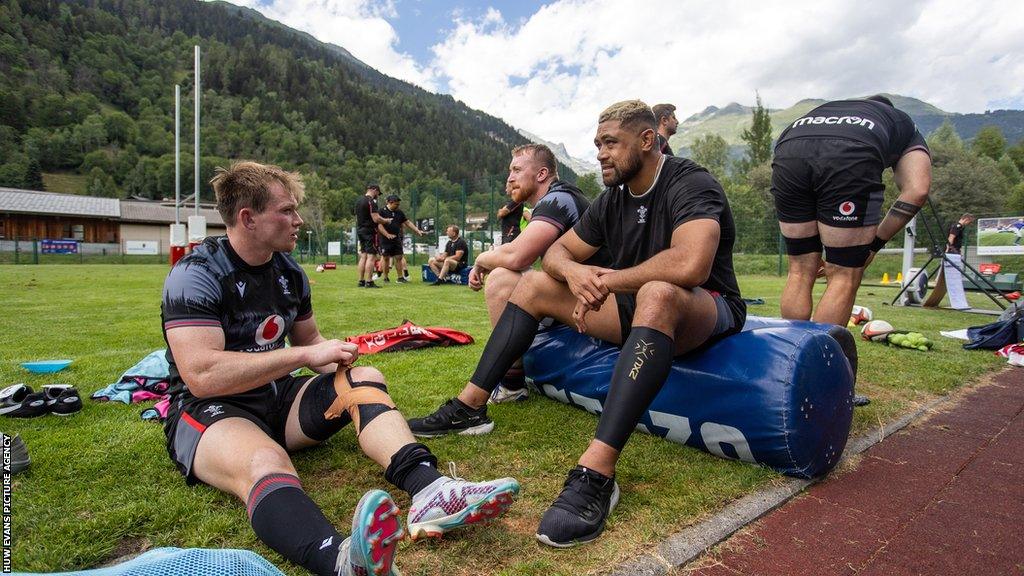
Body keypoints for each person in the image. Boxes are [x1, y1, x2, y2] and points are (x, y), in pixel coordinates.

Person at [410, 100, 745, 547]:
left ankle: (597, 472)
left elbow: (691, 265)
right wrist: (573, 273)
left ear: (647, 140)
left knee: (659, 292)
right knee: (530, 285)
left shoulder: (689, 181)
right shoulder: (613, 200)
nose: (601, 153)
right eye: (597, 144)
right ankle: (470, 406)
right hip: (634, 304)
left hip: (706, 306)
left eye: (610, 143)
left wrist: (605, 279)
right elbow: (555, 253)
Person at [161, 162, 519, 576]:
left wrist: (331, 352)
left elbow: (309, 342)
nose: (297, 221)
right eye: (286, 211)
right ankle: (342, 562)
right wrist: (301, 357)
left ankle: (431, 491)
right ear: (248, 218)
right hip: (208, 411)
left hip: (276, 399)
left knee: (365, 379)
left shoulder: (289, 272)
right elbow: (202, 375)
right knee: (264, 460)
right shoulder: (196, 273)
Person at [468, 143, 613, 403]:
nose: (509, 178)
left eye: (516, 170)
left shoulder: (557, 199)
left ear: (542, 174)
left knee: (501, 279)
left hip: (600, 302)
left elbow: (517, 256)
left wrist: (479, 260)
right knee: (517, 277)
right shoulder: (560, 197)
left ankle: (511, 385)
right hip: (591, 294)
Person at [771, 95, 931, 325]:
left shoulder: (829, 109)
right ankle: (822, 359)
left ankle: (792, 355)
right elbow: (917, 190)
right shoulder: (900, 122)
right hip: (850, 152)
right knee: (844, 273)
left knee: (799, 270)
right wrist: (873, 246)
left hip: (790, 150)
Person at [377, 194, 423, 283]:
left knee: (399, 257)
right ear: (390, 203)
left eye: (398, 204)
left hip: (396, 238)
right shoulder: (381, 211)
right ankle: (385, 277)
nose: (397, 206)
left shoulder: (399, 212)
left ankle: (400, 277)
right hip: (385, 239)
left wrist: (417, 230)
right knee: (386, 258)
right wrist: (387, 234)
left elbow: (407, 222)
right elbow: (379, 225)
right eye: (396, 204)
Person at [355, 184, 390, 288]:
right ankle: (369, 281)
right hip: (370, 231)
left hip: (360, 230)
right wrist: (386, 221)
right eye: (378, 193)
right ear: (374, 190)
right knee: (371, 256)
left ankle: (361, 280)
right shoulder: (371, 202)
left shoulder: (359, 201)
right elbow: (376, 219)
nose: (378, 195)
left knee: (363, 256)